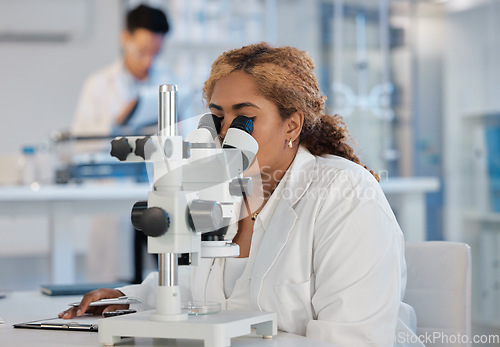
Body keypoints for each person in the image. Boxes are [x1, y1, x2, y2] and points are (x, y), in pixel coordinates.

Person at [60, 42, 423, 346]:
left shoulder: (346, 194)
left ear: (291, 125)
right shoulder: (226, 189)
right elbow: (196, 292)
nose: (225, 134)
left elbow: (351, 339)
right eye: (217, 118)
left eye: (244, 119)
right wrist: (129, 299)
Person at [71, 4, 173, 137]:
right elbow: (79, 142)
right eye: (142, 52)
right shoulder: (98, 84)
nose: (148, 61)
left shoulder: (170, 79)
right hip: (110, 157)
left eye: (155, 53)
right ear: (125, 38)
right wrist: (117, 123)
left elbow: (187, 134)